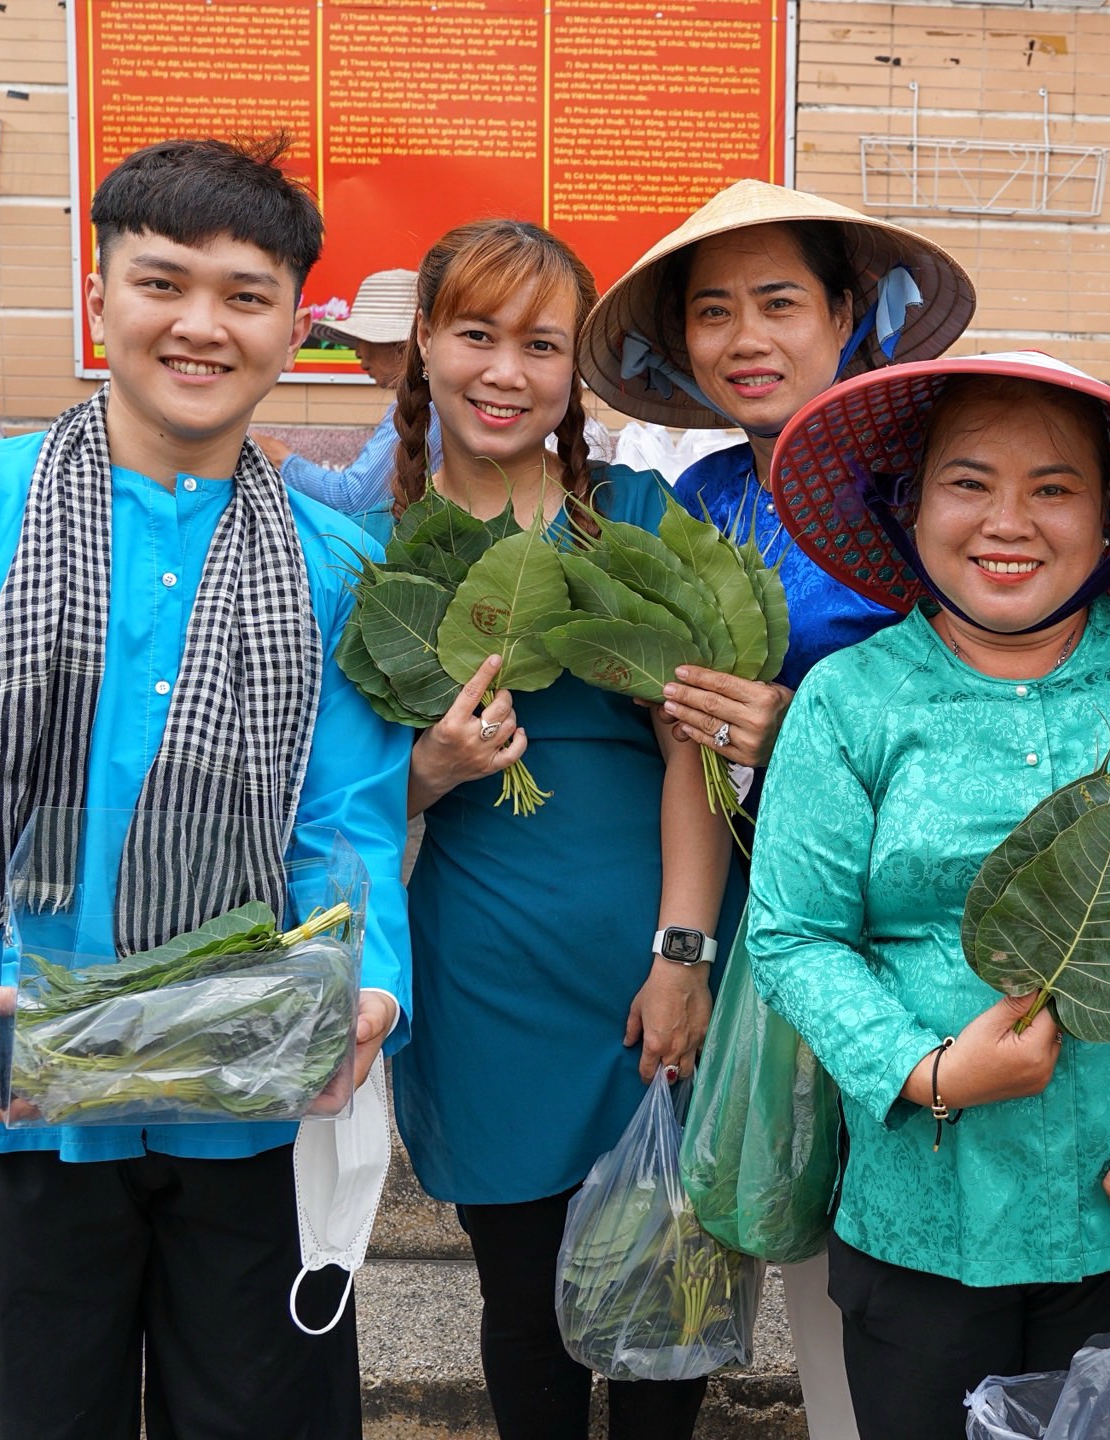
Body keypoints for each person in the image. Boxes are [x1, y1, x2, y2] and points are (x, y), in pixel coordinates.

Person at [0, 136, 411, 1439]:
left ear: (293, 326)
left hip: (250, 1112)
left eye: (245, 295)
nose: (201, 326)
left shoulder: (337, 566)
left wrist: (370, 986)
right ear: (100, 300)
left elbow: (344, 817)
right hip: (13, 1089)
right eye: (163, 284)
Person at [747, 352, 1110, 1440]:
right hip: (915, 1215)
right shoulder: (850, 700)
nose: (1007, 521)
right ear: (908, 507)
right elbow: (795, 934)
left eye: (1053, 488)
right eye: (967, 483)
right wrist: (927, 1070)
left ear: (1109, 519)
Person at [574, 178, 978, 1439]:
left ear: (850, 311)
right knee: (792, 1213)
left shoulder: (929, 489)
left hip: (922, 943)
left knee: (912, 1263)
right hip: (766, 924)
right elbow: (689, 743)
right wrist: (684, 951)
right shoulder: (705, 502)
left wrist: (804, 730)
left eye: (778, 302)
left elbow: (995, 726)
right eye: (711, 312)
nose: (744, 338)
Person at [378, 219, 733, 1440]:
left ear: (571, 369)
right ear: (423, 344)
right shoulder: (384, 548)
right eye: (474, 334)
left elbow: (694, 743)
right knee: (522, 1300)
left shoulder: (632, 515)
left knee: (663, 1281)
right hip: (484, 971)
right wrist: (428, 768)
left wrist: (682, 956)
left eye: (539, 344)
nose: (505, 372)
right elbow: (347, 795)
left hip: (649, 952)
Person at [262, 267, 423, 525]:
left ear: (401, 345)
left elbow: (352, 498)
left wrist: (282, 459)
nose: (358, 353)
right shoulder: (428, 403)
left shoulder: (426, 407)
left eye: (362, 339)